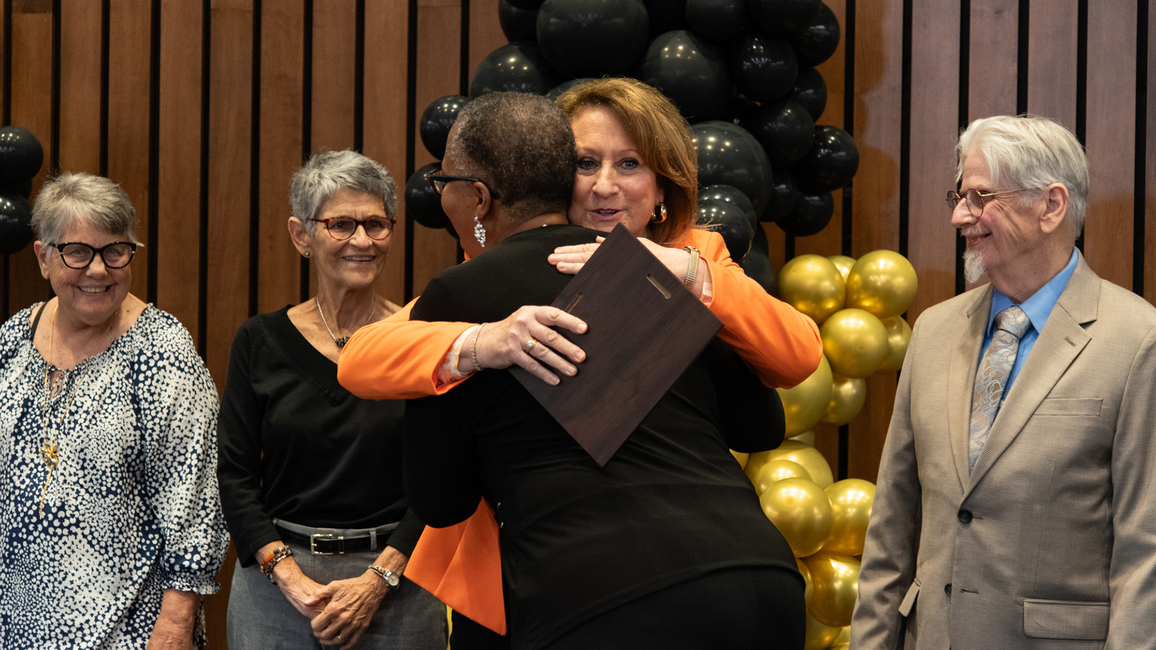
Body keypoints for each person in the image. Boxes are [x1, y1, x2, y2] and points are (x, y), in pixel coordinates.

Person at [337, 77, 821, 646]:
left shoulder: (697, 257)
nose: (603, 186)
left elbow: (791, 365)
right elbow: (364, 356)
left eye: (630, 164)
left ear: (663, 182)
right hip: (539, 580)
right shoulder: (494, 281)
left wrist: (686, 274)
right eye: (585, 163)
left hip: (668, 572)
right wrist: (482, 341)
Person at [851, 115, 1156, 649]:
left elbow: (1145, 553)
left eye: (978, 197)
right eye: (959, 196)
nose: (958, 216)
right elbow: (892, 530)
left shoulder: (1137, 341)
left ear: (1051, 206)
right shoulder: (934, 330)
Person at [216, 151, 447, 650]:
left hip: (399, 583)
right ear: (302, 235)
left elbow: (445, 472)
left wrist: (378, 579)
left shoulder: (420, 336)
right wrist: (290, 578)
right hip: (276, 587)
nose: (362, 241)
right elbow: (234, 475)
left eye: (376, 224)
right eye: (341, 224)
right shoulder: (258, 341)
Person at [0, 172, 228, 648]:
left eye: (115, 251)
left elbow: (197, 498)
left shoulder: (163, 351)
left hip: (127, 629)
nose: (99, 270)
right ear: (43, 257)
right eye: (78, 252)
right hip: (17, 621)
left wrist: (176, 623)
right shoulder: (11, 341)